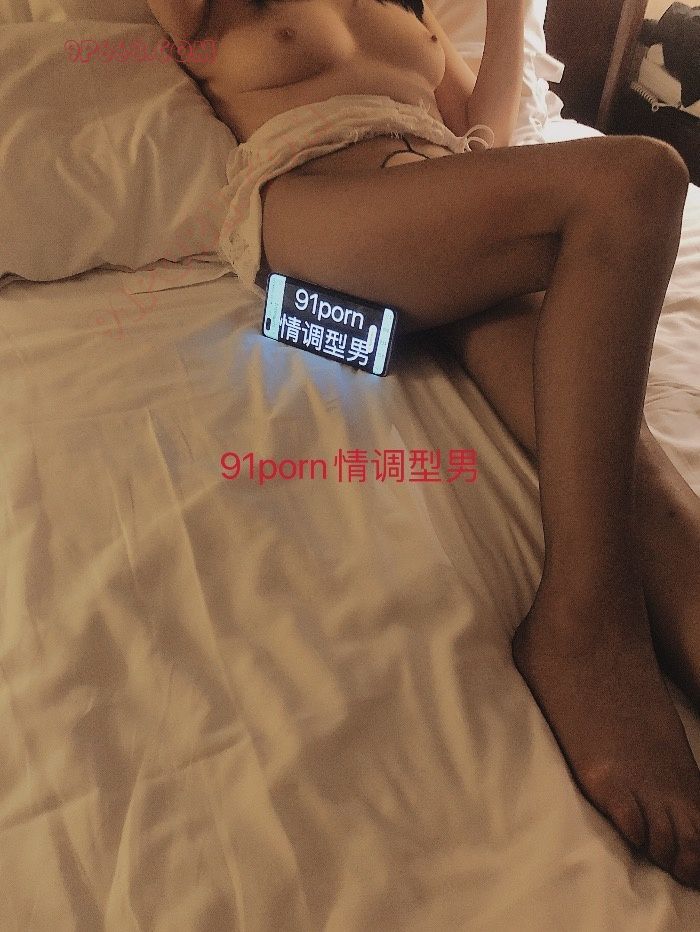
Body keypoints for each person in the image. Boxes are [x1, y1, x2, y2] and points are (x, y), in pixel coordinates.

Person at [148, 0, 700, 888]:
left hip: (449, 230)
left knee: (619, 460)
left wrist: (510, 15)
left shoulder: (407, 13)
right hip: (320, 220)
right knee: (637, 180)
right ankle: (585, 623)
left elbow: (485, 137)